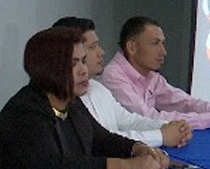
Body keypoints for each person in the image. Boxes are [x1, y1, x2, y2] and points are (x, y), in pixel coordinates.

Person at [0, 27, 168, 169]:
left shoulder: (69, 101)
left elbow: (100, 139)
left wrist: (138, 148)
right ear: (48, 68)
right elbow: (56, 167)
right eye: (73, 64)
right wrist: (127, 166)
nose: (83, 70)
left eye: (83, 61)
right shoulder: (25, 112)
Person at [52, 16, 192, 148]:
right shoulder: (63, 98)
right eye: (93, 47)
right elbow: (104, 140)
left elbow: (128, 120)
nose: (101, 52)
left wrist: (168, 127)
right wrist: (161, 135)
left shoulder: (97, 88)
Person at [99, 16, 210, 130]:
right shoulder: (113, 76)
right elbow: (147, 119)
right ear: (132, 47)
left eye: (162, 43)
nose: (163, 52)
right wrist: (206, 119)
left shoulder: (151, 76)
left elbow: (185, 103)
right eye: (155, 43)